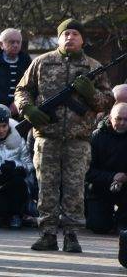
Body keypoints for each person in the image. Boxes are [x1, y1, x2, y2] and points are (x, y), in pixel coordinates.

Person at [15, 19, 113, 253]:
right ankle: (47, 234)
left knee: (74, 188)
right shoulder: (42, 62)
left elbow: (107, 101)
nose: (70, 37)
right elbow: (22, 90)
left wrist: (91, 94)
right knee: (46, 187)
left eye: (75, 34)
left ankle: (71, 235)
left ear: (83, 40)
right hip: (47, 138)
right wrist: (28, 110)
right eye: (66, 34)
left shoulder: (93, 67)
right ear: (59, 38)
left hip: (78, 140)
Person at [85, 102, 127, 234]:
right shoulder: (97, 137)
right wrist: (112, 177)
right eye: (118, 119)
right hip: (101, 187)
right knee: (98, 226)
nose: (122, 123)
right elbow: (87, 171)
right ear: (110, 118)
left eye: (126, 119)